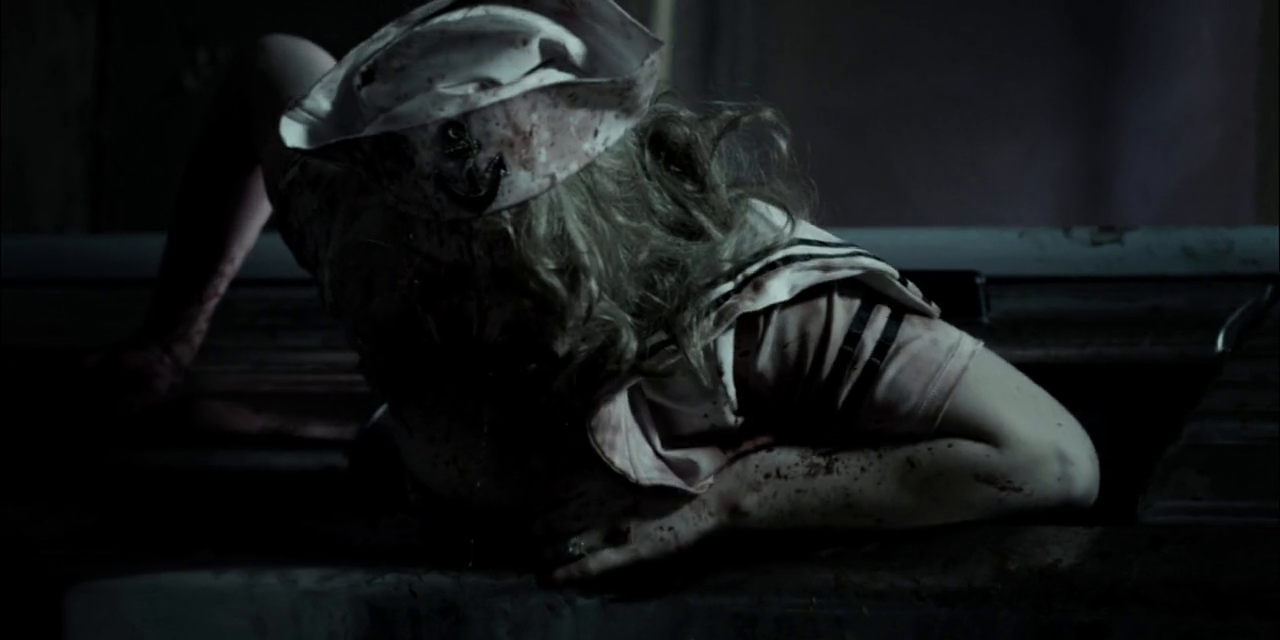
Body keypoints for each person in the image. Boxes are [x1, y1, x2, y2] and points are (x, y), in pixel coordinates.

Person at [92, 0, 1100, 583]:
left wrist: (741, 498)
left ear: (577, 241)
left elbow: (1050, 457)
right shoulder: (375, 225)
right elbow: (269, 66)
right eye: (426, 270)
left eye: (488, 277)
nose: (448, 306)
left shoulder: (748, 315)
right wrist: (168, 345)